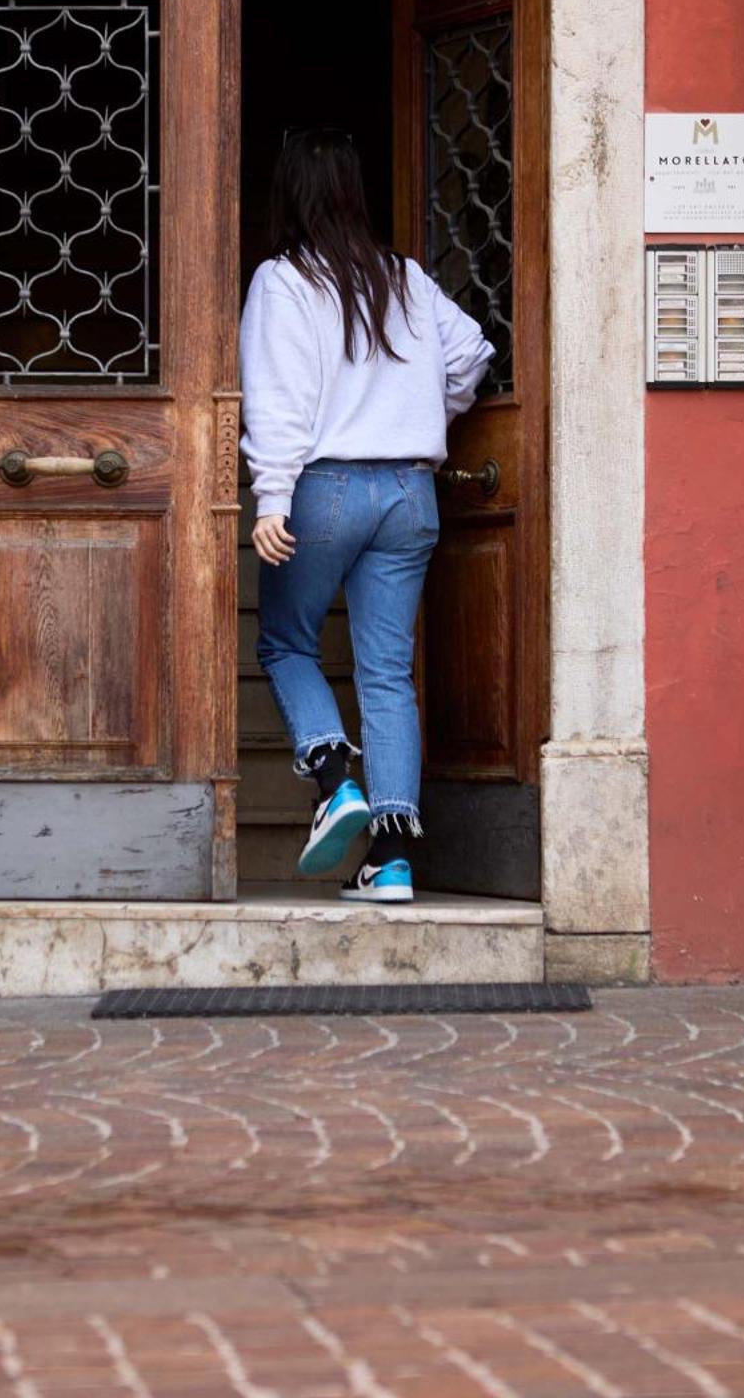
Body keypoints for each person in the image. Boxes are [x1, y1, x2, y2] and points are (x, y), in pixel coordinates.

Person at [239, 126, 494, 903]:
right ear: (355, 193)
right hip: (409, 495)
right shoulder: (406, 278)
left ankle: (330, 778)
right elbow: (473, 354)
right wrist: (429, 416)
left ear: (288, 193)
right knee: (387, 672)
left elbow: (277, 396)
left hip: (327, 488)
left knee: (285, 641)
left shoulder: (284, 282)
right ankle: (390, 861)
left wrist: (272, 495)